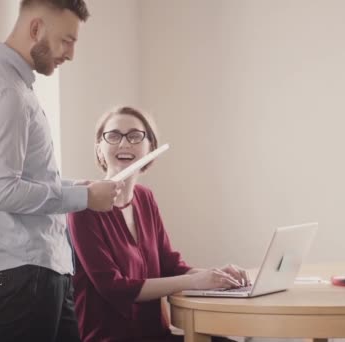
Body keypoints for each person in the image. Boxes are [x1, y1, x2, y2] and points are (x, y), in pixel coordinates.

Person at [0, 1, 121, 341]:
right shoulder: (6, 92)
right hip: (24, 270)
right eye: (66, 40)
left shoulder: (13, 87)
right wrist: (84, 196)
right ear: (36, 29)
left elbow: (25, 180)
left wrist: (80, 187)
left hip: (38, 267)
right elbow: (2, 190)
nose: (71, 54)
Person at [68, 106, 250, 342]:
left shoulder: (145, 198)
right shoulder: (83, 207)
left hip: (156, 335)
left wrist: (215, 276)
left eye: (135, 136)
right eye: (113, 136)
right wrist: (195, 280)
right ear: (99, 150)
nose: (124, 143)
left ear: (150, 149)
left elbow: (170, 265)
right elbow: (114, 288)